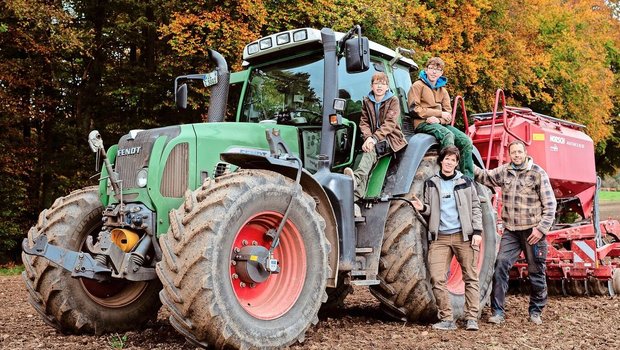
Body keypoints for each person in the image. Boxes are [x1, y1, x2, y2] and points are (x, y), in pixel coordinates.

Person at [474, 140, 557, 325]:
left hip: (533, 231)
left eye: (520, 152)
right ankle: (497, 312)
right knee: (501, 265)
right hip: (511, 231)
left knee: (536, 272)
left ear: (525, 153)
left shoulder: (537, 173)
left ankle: (535, 311)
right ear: (509, 154)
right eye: (513, 152)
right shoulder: (504, 171)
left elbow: (550, 205)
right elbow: (484, 176)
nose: (517, 155)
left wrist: (541, 229)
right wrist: (464, 158)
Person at [411, 145, 483, 331]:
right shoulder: (431, 183)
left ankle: (471, 318)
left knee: (471, 277)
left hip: (463, 236)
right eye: (447, 159)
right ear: (441, 161)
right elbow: (430, 209)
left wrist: (477, 232)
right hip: (440, 238)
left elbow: (476, 208)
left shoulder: (466, 182)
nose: (449, 162)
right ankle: (447, 319)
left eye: (453, 160)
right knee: (436, 278)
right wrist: (422, 208)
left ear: (456, 163)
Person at [344, 72, 407, 210]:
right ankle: (355, 199)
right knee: (365, 155)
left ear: (387, 87)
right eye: (376, 83)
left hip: (391, 138)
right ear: (371, 86)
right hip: (373, 139)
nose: (379, 86)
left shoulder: (393, 100)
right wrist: (367, 138)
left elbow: (390, 124)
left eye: (383, 83)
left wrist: (373, 138)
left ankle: (355, 179)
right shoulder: (367, 101)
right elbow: (364, 122)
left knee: (369, 151)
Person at [407, 57, 474, 178]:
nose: (434, 72)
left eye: (437, 70)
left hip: (440, 123)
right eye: (431, 68)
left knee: (466, 141)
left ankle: (468, 180)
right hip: (422, 123)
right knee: (448, 135)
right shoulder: (417, 86)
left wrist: (439, 119)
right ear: (426, 70)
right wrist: (438, 114)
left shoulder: (443, 91)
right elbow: (414, 109)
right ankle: (446, 174)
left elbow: (448, 114)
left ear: (441, 73)